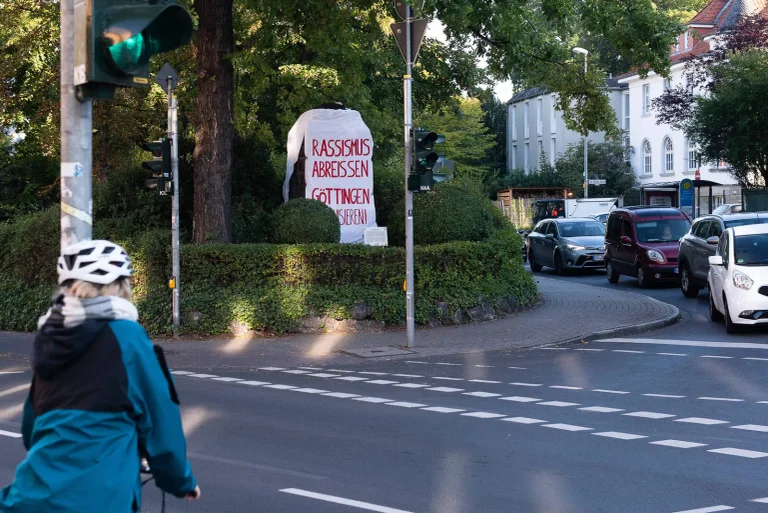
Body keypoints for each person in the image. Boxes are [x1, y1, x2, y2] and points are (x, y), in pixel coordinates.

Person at [0, 240, 200, 512]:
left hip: (30, 498)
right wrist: (181, 481)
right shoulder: (127, 338)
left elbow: (31, 426)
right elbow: (161, 424)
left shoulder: (51, 339)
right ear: (119, 286)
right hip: (100, 502)